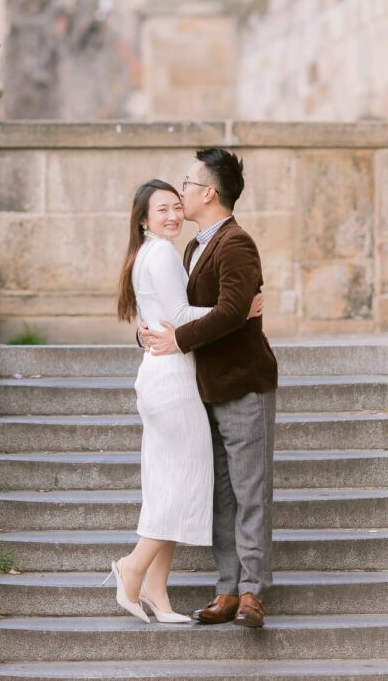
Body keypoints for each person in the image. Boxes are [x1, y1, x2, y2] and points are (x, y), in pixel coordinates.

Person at [105, 179, 262, 624]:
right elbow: (177, 317)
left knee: (166, 484)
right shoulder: (163, 254)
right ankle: (132, 568)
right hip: (172, 381)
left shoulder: (147, 254)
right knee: (182, 484)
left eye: (177, 207)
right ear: (143, 220)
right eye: (162, 211)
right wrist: (237, 309)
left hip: (162, 376)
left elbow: (159, 319)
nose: (173, 216)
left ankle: (158, 592)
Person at [142, 149, 278, 629]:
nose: (181, 192)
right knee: (221, 493)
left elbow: (232, 309)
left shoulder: (236, 242)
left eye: (187, 183)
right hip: (205, 390)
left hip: (243, 384)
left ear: (209, 192)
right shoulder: (193, 246)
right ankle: (225, 589)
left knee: (249, 490)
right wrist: (150, 332)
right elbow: (183, 309)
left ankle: (251, 593)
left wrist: (178, 339)